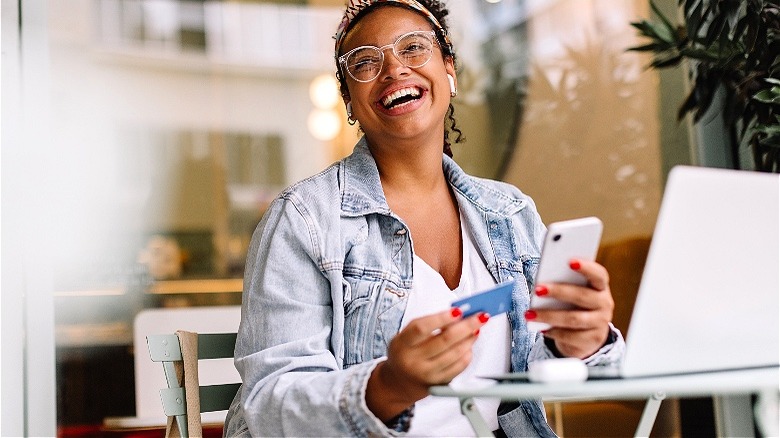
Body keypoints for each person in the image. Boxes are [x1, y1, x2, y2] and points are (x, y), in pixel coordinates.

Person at [224, 0, 624, 436]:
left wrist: (581, 344)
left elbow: (535, 375)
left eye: (413, 48)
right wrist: (388, 385)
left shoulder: (510, 213)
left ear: (448, 70)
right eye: (365, 62)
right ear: (350, 104)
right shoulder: (304, 219)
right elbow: (269, 404)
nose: (394, 69)